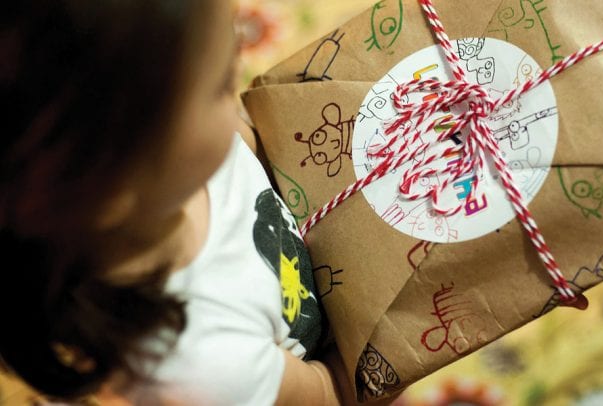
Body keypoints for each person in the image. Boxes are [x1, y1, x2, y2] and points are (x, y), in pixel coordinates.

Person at [1, 1, 389, 404]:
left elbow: (261, 149)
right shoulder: (204, 363)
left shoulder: (169, 168)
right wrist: (394, 337)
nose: (241, 81)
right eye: (223, 84)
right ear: (110, 188)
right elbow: (330, 393)